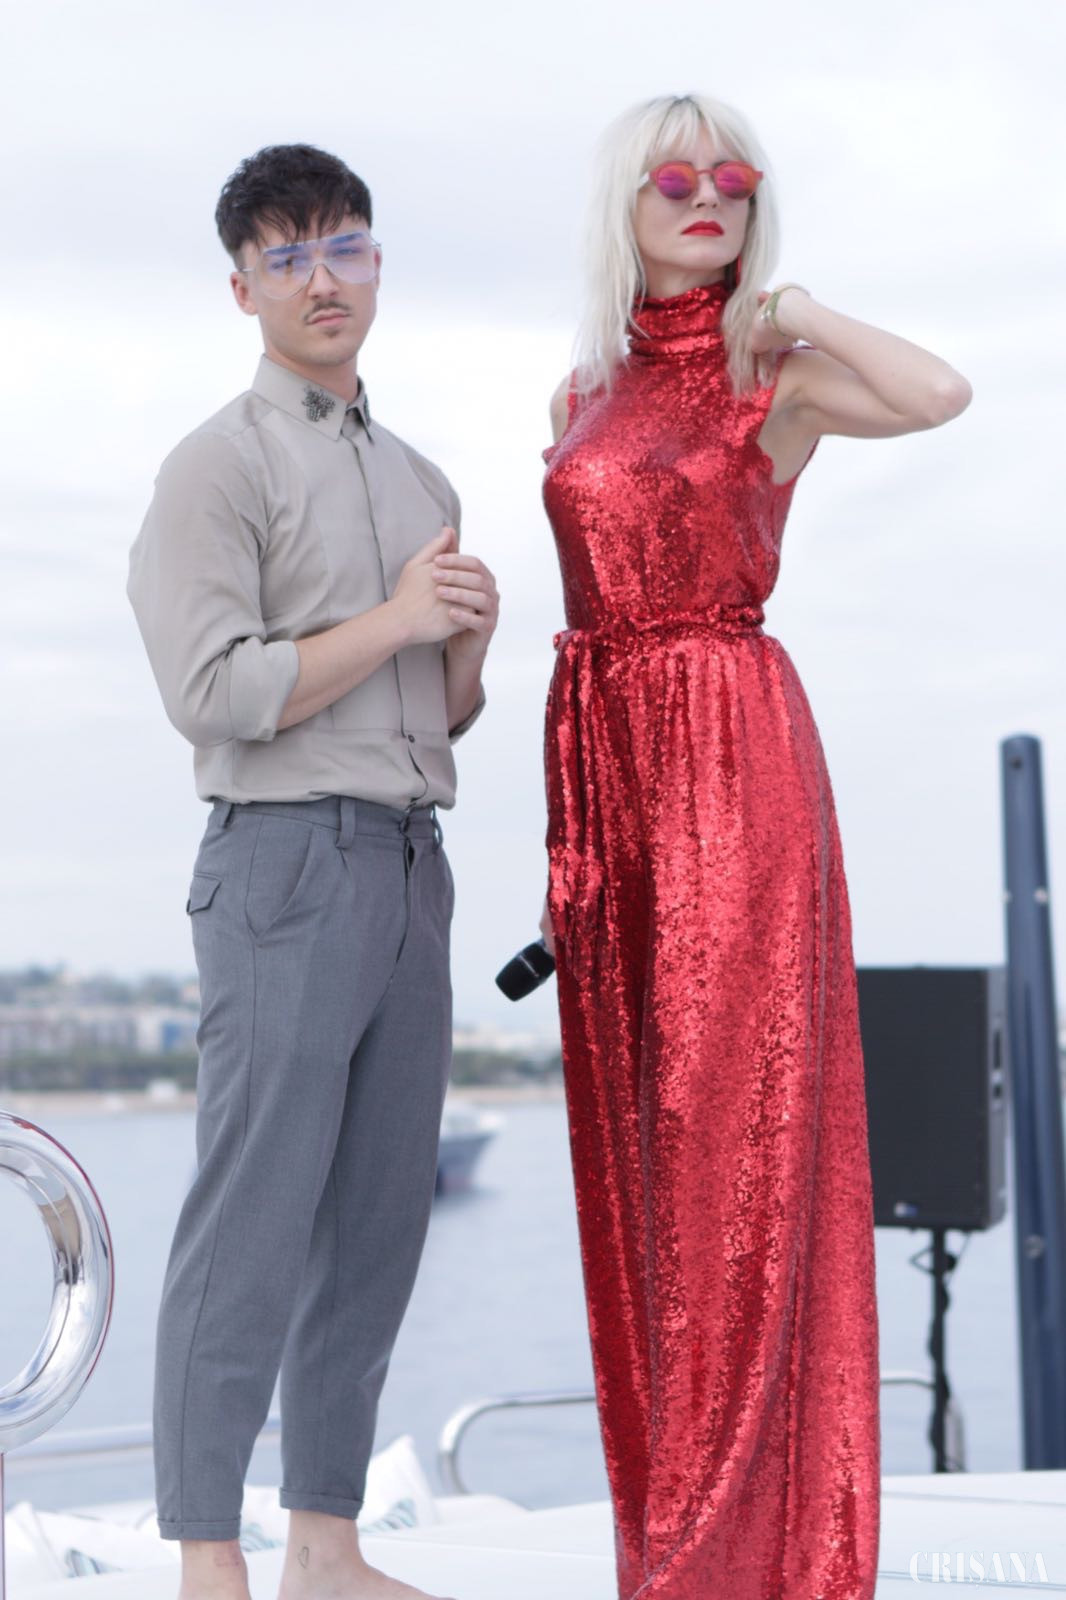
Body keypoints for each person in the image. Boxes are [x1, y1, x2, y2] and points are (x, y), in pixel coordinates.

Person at [538, 93, 971, 1600]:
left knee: (733, 1143)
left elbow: (942, 393)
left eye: (733, 178)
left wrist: (796, 309)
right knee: (641, 1155)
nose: (706, 197)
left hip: (731, 763)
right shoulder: (579, 389)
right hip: (605, 773)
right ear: (627, 203)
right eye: (675, 178)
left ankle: (739, 1552)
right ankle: (669, 1529)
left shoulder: (769, 376)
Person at [127, 143, 498, 1600]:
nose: (320, 277)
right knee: (252, 1220)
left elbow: (435, 715)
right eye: (285, 257)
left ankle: (325, 1549)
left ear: (377, 262)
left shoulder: (422, 479)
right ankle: (207, 1561)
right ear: (243, 290)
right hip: (283, 865)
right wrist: (399, 619)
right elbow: (213, 694)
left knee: (377, 1221)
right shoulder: (216, 466)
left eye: (341, 245)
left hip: (410, 865)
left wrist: (462, 650)